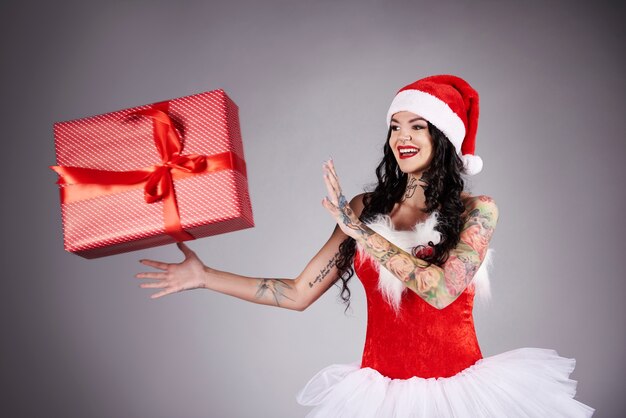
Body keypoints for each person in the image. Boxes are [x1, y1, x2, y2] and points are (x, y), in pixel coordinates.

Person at [135, 75, 595, 417]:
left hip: (461, 397)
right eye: (395, 126)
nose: (403, 138)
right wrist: (204, 276)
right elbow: (298, 293)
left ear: (444, 138)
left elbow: (439, 290)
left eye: (418, 126)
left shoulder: (479, 211)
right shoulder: (363, 207)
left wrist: (361, 233)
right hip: (380, 399)